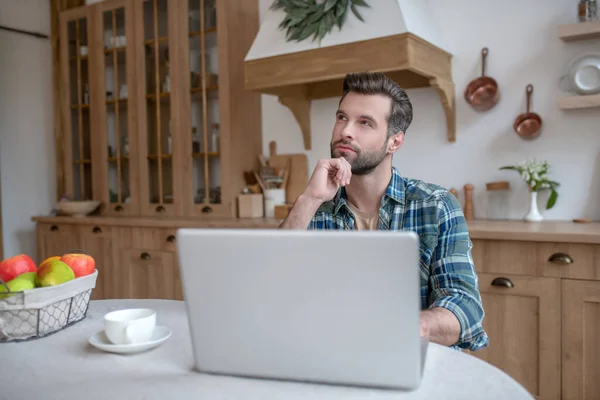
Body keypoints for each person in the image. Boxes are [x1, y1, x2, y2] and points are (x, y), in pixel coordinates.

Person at [279, 72, 488, 352]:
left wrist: (399, 327)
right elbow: (270, 287)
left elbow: (465, 307)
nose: (345, 131)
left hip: (414, 361)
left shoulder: (435, 205)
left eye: (364, 122)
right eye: (342, 117)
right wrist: (309, 199)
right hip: (331, 357)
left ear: (395, 142)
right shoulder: (315, 209)